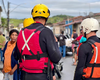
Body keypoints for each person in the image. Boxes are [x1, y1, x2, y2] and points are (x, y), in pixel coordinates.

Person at [14, 4, 61, 80]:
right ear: (47, 17)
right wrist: (55, 42)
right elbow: (56, 58)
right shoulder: (46, 32)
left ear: (33, 16)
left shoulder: (21, 32)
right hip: (43, 75)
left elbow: (16, 56)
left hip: (25, 75)